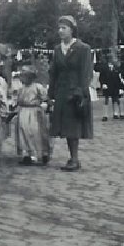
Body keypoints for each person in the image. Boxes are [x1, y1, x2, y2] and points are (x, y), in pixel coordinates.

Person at [48, 15, 93, 171]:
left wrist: (80, 91)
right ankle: (72, 158)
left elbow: (86, 72)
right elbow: (53, 73)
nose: (60, 31)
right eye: (59, 28)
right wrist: (50, 94)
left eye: (64, 28)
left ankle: (74, 159)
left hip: (75, 92)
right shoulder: (57, 49)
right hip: (61, 91)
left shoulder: (83, 48)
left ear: (72, 30)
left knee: (73, 127)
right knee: (66, 127)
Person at [13, 65, 50, 166]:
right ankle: (28, 154)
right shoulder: (21, 89)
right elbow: (18, 101)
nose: (23, 79)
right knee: (23, 132)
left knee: (36, 132)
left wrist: (44, 106)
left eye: (25, 76)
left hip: (34, 112)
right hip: (23, 111)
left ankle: (41, 153)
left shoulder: (37, 87)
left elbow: (45, 98)